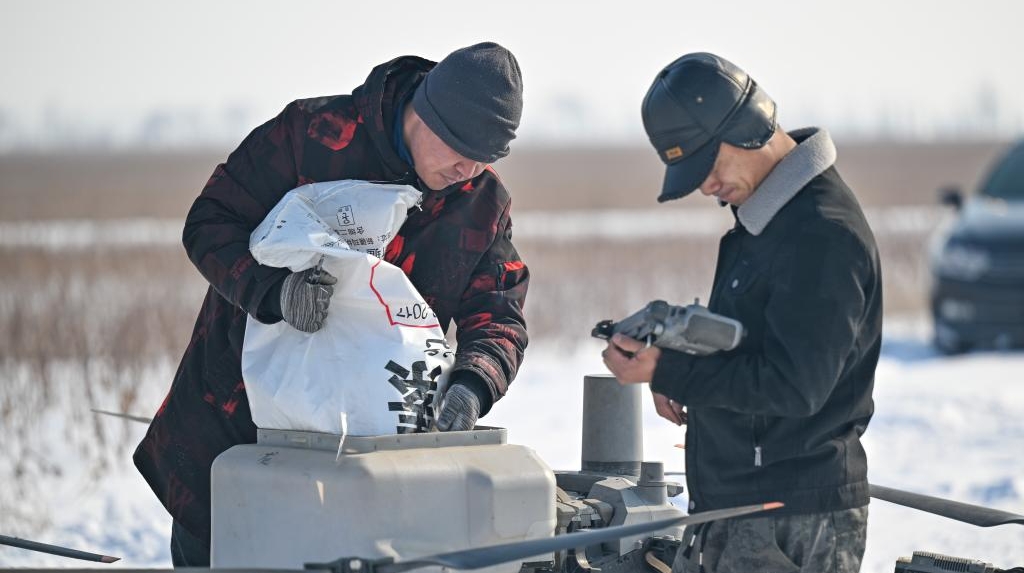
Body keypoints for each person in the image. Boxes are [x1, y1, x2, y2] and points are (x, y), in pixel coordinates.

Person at [133, 42, 530, 567]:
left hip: (369, 473)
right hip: (233, 439)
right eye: (459, 147)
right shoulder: (312, 135)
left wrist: (473, 383)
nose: (468, 168)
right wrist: (274, 291)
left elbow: (499, 316)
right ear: (424, 112)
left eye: (486, 156)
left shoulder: (481, 204)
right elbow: (209, 223)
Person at [602, 52, 881, 573]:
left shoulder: (821, 233)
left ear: (746, 128)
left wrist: (672, 372)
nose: (706, 186)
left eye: (707, 166)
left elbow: (795, 386)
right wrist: (680, 365)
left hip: (790, 518)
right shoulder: (768, 223)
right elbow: (754, 347)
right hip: (745, 509)